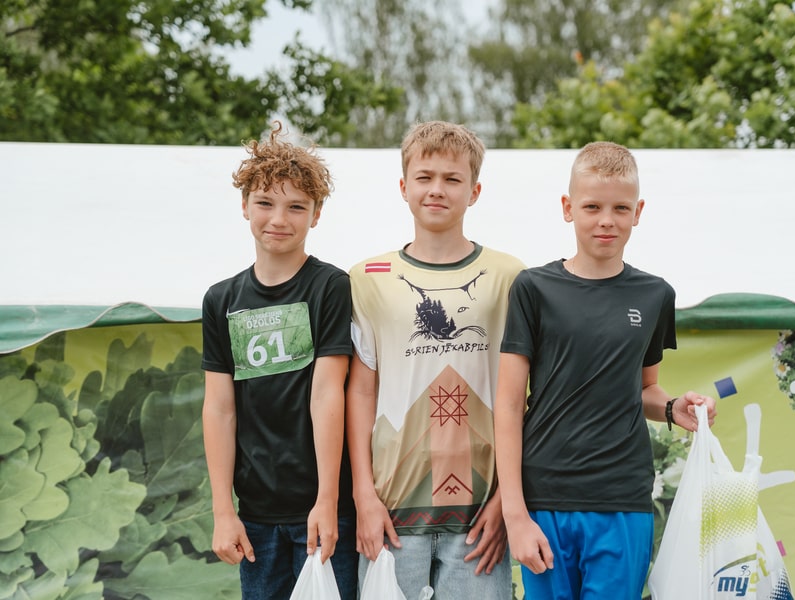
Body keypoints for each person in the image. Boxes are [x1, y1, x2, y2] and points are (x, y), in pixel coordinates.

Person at [494, 141, 718, 600]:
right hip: (545, 498)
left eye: (620, 208)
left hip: (623, 500)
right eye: (592, 207)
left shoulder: (655, 295)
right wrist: (515, 514)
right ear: (567, 208)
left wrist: (674, 407)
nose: (606, 220)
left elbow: (645, 388)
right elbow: (509, 405)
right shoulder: (532, 288)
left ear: (638, 212)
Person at [346, 120, 525, 598]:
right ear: (403, 187)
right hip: (391, 509)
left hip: (480, 515)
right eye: (424, 177)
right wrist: (363, 495)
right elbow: (361, 390)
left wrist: (507, 499)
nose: (437, 190)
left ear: (475, 191)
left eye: (452, 179)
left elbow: (528, 394)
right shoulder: (367, 277)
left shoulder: (511, 276)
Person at [201, 122, 357, 600]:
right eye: (266, 203)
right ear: (244, 205)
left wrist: (327, 500)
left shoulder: (330, 286)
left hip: (323, 509)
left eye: (296, 207)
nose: (278, 218)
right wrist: (223, 511)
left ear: (316, 214)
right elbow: (220, 408)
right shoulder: (221, 300)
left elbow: (327, 393)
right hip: (255, 517)